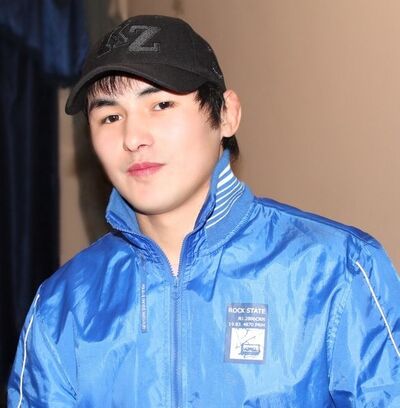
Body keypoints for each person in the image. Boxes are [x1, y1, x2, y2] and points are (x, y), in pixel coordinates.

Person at [8, 14, 400, 407]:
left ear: (226, 115)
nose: (133, 138)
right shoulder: (61, 306)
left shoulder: (338, 270)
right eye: (110, 116)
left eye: (161, 104)